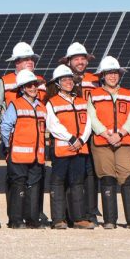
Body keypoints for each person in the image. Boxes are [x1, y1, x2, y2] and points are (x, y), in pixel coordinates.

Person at [87, 56, 130, 229]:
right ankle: (110, 220)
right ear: (102, 75)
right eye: (109, 73)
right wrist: (106, 134)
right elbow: (92, 117)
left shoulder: (127, 94)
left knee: (127, 177)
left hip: (123, 142)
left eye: (115, 73)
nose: (112, 76)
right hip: (102, 142)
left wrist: (120, 133)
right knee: (107, 178)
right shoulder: (94, 94)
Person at [0, 42, 47, 228]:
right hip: (17, 151)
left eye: (35, 85)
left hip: (36, 153)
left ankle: (33, 218)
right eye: (29, 86)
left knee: (34, 185)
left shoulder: (41, 106)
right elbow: (5, 123)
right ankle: (16, 219)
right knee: (18, 184)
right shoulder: (10, 95)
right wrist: (8, 144)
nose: (34, 87)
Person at [45, 65, 94, 229]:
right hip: (62, 149)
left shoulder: (81, 102)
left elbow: (88, 123)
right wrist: (72, 139)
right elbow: (53, 125)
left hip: (80, 148)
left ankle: (79, 218)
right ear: (58, 83)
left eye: (70, 79)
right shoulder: (52, 103)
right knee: (58, 182)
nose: (68, 82)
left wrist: (81, 140)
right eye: (64, 80)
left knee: (77, 182)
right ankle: (58, 219)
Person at [60, 42, 100, 223]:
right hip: (71, 135)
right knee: (72, 174)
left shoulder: (95, 79)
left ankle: (91, 211)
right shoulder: (62, 78)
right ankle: (71, 212)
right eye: (76, 59)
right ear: (69, 61)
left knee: (91, 173)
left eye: (83, 58)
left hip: (92, 132)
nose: (80, 62)